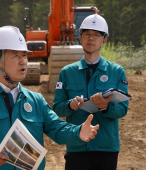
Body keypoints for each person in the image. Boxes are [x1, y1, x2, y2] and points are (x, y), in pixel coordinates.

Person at [0, 26, 100, 170]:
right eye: (15, 55)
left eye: (24, 55)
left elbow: (56, 127)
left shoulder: (36, 100)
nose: (23, 61)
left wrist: (78, 132)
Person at [53, 14, 129, 170]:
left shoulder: (117, 72)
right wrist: (70, 105)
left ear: (104, 40)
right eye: (87, 34)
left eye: (96, 35)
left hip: (106, 149)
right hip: (77, 146)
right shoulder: (67, 72)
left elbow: (122, 109)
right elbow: (57, 107)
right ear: (80, 38)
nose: (91, 39)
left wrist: (105, 107)